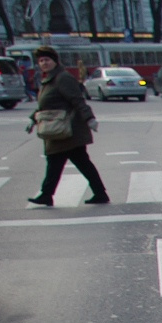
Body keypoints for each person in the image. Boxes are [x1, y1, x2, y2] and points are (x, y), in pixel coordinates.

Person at [25, 45, 108, 206]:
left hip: (69, 131)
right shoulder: (48, 80)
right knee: (74, 164)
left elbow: (77, 100)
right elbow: (43, 106)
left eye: (47, 60)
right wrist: (32, 119)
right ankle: (99, 193)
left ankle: (47, 195)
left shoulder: (63, 78)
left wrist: (89, 118)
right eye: (41, 61)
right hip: (59, 131)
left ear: (55, 61)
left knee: (63, 163)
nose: (44, 63)